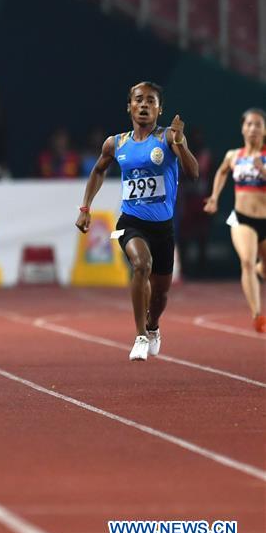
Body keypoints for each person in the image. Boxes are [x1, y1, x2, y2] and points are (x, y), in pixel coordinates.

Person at [76, 81, 199, 361]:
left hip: (164, 229)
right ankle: (140, 335)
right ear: (129, 106)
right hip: (131, 222)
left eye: (150, 101)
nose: (144, 105)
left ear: (159, 109)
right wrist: (85, 207)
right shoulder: (115, 143)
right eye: (139, 100)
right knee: (141, 265)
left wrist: (180, 143)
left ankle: (153, 326)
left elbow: (193, 173)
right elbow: (97, 171)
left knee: (160, 296)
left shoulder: (168, 138)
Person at [203, 108, 266, 332]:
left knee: (262, 268)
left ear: (264, 129)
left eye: (258, 124)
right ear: (242, 128)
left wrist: (263, 170)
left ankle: (262, 268)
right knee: (247, 262)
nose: (253, 129)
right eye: (249, 124)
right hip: (241, 218)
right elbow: (221, 172)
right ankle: (258, 315)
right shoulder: (234, 155)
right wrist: (214, 197)